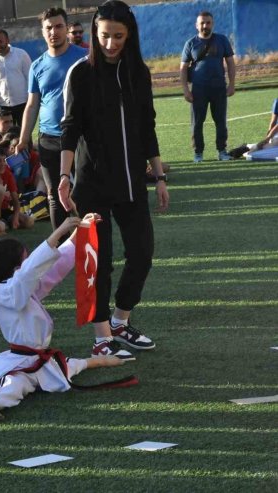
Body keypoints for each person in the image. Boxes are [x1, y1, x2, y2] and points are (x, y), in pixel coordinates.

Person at [59, 0, 169, 360]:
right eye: (104, 35)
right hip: (91, 185)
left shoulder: (138, 72)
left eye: (118, 36)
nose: (110, 43)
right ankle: (101, 336)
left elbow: (147, 125)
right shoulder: (81, 73)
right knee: (97, 260)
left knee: (142, 251)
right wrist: (63, 176)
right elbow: (70, 129)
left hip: (132, 182)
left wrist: (159, 173)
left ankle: (121, 320)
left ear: (130, 34)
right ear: (94, 32)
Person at [0, 215, 124, 422]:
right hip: (18, 362)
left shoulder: (22, 288)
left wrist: (78, 233)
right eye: (26, 260)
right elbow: (32, 270)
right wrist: (58, 231)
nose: (31, 265)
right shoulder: (7, 293)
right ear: (16, 268)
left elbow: (54, 266)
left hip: (39, 357)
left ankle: (92, 362)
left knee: (66, 365)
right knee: (10, 386)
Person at [16, 7, 88, 230]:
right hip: (48, 138)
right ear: (42, 31)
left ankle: (89, 244)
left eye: (58, 26)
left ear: (66, 28)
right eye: (48, 28)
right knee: (54, 194)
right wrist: (23, 138)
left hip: (81, 138)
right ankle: (60, 248)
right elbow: (32, 104)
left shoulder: (85, 57)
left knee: (85, 192)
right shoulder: (37, 66)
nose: (53, 32)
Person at [180, 11, 236, 162]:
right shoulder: (190, 43)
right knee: (197, 123)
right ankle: (198, 153)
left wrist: (231, 84)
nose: (205, 25)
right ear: (197, 25)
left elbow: (230, 63)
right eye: (202, 23)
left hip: (218, 88)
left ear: (213, 24)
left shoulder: (222, 40)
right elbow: (183, 68)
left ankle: (222, 151)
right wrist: (186, 89)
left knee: (221, 121)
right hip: (198, 89)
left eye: (208, 22)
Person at [0, 30, 31, 126]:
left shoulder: (21, 54)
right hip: (3, 105)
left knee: (24, 133)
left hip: (23, 102)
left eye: (0, 42)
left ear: (7, 41)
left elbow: (30, 78)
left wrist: (31, 100)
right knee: (7, 135)